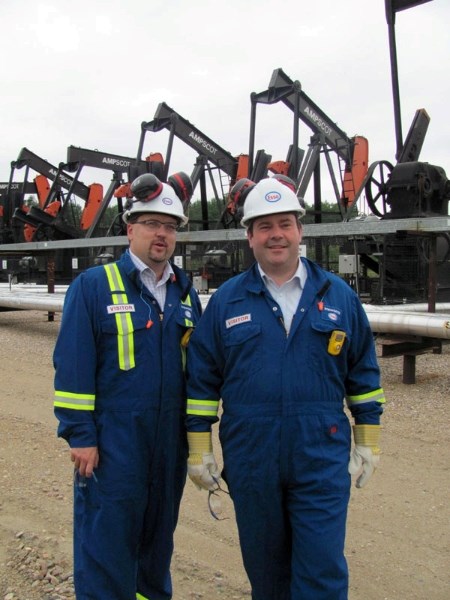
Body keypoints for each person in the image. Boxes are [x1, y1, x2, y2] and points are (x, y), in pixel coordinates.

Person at [185, 176, 385, 600]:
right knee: (267, 571)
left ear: (299, 230)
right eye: (265, 226)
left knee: (322, 570)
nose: (276, 234)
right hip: (251, 455)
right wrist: (199, 447)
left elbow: (363, 371)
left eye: (285, 224)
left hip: (320, 454)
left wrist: (367, 438)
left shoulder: (338, 296)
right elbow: (202, 379)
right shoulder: (228, 302)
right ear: (250, 237)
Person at [53, 172, 202, 600]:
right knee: (107, 546)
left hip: (168, 443)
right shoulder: (94, 287)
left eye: (171, 227)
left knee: (157, 546)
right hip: (114, 445)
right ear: (130, 227)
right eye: (153, 223)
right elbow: (72, 365)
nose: (162, 234)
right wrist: (81, 434)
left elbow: (201, 370)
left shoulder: (186, 294)